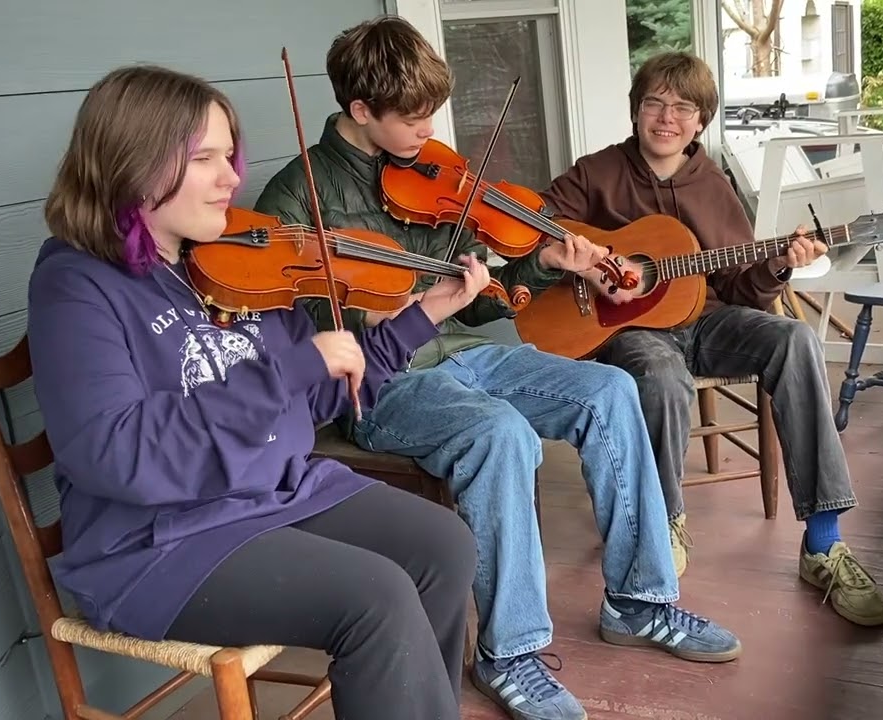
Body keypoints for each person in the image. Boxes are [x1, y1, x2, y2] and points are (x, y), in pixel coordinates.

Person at [255, 16, 742, 720]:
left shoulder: (427, 174)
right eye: (413, 117)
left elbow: (482, 306)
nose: (429, 129)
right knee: (499, 434)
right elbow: (293, 339)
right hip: (385, 382)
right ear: (360, 111)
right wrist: (381, 314)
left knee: (609, 387)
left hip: (470, 354)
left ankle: (639, 601)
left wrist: (538, 264)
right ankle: (509, 653)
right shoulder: (294, 198)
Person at [27, 64, 494, 720]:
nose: (233, 177)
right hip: (159, 540)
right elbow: (114, 451)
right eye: (206, 159)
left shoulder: (236, 262)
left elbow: (313, 402)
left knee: (444, 545)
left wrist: (422, 317)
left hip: (270, 494)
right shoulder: (76, 287)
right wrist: (287, 370)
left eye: (231, 155)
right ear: (133, 163)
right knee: (377, 598)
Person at [538, 51, 883, 627]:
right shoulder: (596, 172)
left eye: (683, 107)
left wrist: (780, 265)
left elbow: (742, 289)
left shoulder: (713, 183)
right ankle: (663, 523)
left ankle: (824, 542)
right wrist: (586, 261)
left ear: (701, 120)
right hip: (627, 329)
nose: (667, 118)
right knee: (659, 373)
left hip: (708, 320)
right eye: (655, 102)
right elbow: (536, 226)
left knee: (794, 338)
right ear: (636, 110)